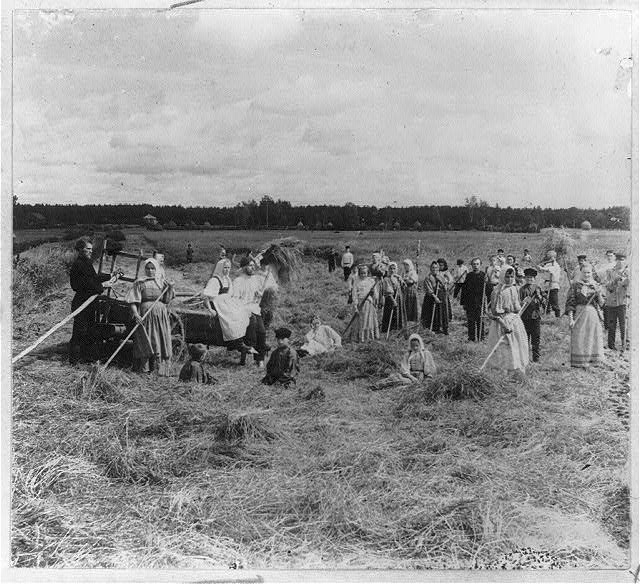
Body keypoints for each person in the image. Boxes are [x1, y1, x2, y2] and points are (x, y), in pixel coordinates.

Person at [68, 237, 118, 364]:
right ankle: (73, 361)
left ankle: (85, 358)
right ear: (80, 250)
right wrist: (102, 286)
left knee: (89, 331)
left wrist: (110, 275)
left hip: (89, 303)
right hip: (82, 302)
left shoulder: (86, 263)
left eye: (91, 249)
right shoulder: (79, 264)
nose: (90, 251)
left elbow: (94, 278)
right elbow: (85, 284)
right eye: (87, 249)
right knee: (80, 332)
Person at [126, 258, 174, 375]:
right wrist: (136, 314)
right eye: (147, 268)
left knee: (160, 339)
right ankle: (144, 368)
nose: (150, 271)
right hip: (145, 315)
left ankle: (159, 369)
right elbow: (133, 300)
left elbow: (167, 300)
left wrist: (170, 288)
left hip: (160, 316)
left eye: (153, 268)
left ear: (156, 269)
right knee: (146, 338)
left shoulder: (162, 283)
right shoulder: (140, 282)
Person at [202, 259, 254, 356]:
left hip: (226, 302)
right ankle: (237, 343)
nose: (227, 270)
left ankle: (239, 340)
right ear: (220, 268)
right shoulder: (215, 280)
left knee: (242, 312)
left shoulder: (227, 279)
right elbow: (206, 297)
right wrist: (210, 309)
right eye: (225, 268)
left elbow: (230, 294)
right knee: (232, 315)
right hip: (216, 303)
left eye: (228, 268)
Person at [485, 267, 529, 372]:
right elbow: (494, 314)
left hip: (514, 321)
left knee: (516, 345)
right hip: (502, 322)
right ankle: (502, 372)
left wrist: (524, 303)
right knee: (503, 348)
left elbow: (517, 308)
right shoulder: (497, 292)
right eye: (507, 277)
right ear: (502, 277)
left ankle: (515, 370)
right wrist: (504, 325)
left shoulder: (514, 289)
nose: (509, 279)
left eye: (511, 277)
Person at [232, 256, 271, 366]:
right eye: (250, 266)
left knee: (262, 332)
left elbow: (259, 295)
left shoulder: (255, 280)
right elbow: (235, 299)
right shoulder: (238, 281)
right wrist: (244, 309)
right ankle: (248, 347)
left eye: (254, 266)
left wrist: (259, 294)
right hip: (242, 310)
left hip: (254, 308)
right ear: (244, 267)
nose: (253, 268)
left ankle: (260, 359)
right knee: (252, 325)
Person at [565, 265, 605, 367]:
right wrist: (571, 319)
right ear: (581, 273)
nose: (586, 275)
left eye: (589, 272)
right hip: (579, 314)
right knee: (580, 336)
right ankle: (580, 362)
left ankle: (593, 361)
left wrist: (599, 293)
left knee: (592, 336)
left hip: (592, 315)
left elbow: (602, 304)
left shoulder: (595, 285)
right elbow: (570, 303)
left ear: (591, 273)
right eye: (584, 272)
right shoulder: (575, 286)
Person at [369, 334, 436, 390]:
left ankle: (381, 386)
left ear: (420, 344)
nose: (415, 348)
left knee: (403, 382)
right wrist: (411, 377)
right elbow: (404, 368)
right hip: (410, 375)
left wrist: (426, 380)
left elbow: (430, 369)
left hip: (420, 377)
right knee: (395, 377)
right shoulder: (408, 354)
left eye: (417, 346)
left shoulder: (426, 353)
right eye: (413, 346)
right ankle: (376, 385)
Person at [344, 264, 380, 343]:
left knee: (367, 320)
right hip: (359, 303)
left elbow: (376, 294)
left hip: (368, 303)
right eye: (361, 273)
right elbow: (354, 294)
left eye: (365, 273)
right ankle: (358, 337)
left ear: (368, 273)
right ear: (359, 273)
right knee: (359, 320)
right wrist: (356, 304)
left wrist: (373, 293)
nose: (363, 275)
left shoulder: (371, 281)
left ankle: (368, 337)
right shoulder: (356, 281)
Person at [604, 253, 629, 351]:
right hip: (611, 302)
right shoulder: (610, 271)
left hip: (622, 302)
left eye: (622, 260)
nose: (620, 262)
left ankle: (624, 345)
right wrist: (615, 280)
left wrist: (623, 279)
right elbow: (608, 286)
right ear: (616, 260)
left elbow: (628, 284)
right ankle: (611, 345)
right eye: (618, 260)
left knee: (623, 324)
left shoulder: (627, 272)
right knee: (611, 325)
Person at [519, 268, 543, 362]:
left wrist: (539, 297)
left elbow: (543, 302)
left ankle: (536, 358)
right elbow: (518, 303)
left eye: (532, 278)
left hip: (535, 316)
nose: (530, 279)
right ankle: (524, 358)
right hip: (525, 317)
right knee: (525, 338)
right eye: (528, 277)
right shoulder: (522, 289)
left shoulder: (538, 288)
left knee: (536, 338)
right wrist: (523, 301)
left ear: (534, 278)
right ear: (525, 278)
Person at [460, 257, 486, 342]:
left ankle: (480, 337)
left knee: (480, 320)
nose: (476, 266)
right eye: (474, 264)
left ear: (480, 265)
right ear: (471, 265)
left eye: (477, 264)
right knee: (470, 320)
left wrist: (488, 302)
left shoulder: (483, 276)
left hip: (480, 302)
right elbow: (464, 290)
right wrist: (463, 302)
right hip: (470, 302)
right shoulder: (469, 276)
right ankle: (471, 338)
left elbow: (488, 290)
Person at [421, 261, 449, 334]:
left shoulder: (441, 276)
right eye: (433, 267)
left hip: (441, 295)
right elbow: (429, 289)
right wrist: (435, 297)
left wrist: (441, 281)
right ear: (430, 268)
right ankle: (433, 329)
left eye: (436, 267)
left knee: (442, 312)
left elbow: (445, 286)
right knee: (432, 312)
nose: (434, 269)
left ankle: (443, 328)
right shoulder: (428, 277)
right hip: (431, 297)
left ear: (438, 268)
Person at [381, 262, 406, 333]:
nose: (392, 270)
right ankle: (389, 330)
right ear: (388, 269)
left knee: (398, 313)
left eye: (394, 269)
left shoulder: (397, 278)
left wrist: (401, 281)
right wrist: (393, 300)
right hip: (390, 299)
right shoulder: (386, 279)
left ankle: (398, 328)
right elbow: (388, 291)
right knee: (390, 314)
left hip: (398, 297)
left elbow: (403, 287)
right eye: (391, 269)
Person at [537, 250, 561, 317]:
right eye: (548, 257)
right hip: (547, 285)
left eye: (550, 257)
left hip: (553, 285)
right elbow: (542, 271)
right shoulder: (547, 264)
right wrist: (539, 268)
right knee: (546, 301)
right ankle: (547, 315)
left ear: (554, 257)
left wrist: (542, 268)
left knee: (554, 302)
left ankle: (557, 317)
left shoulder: (556, 265)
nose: (549, 258)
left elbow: (550, 269)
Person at [598, 250, 616, 330]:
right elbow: (599, 275)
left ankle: (612, 325)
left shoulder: (616, 265)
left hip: (614, 288)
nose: (609, 257)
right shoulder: (604, 266)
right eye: (608, 256)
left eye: (611, 255)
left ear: (614, 256)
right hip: (605, 288)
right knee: (605, 306)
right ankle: (607, 326)